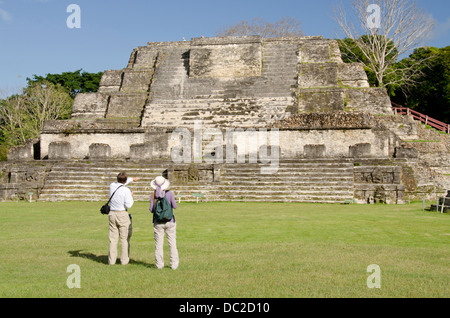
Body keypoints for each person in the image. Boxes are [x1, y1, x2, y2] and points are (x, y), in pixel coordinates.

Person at [108, 172, 138, 265]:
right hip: (122, 214)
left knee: (113, 239)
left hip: (112, 213)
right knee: (124, 239)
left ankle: (111, 261)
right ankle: (124, 261)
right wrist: (131, 196)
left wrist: (132, 179)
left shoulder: (112, 185)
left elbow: (122, 182)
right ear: (125, 181)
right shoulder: (126, 190)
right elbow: (129, 204)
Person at [149, 176, 179, 270]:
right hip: (170, 221)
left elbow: (151, 210)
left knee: (158, 244)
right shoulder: (169, 194)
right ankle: (174, 265)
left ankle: (159, 265)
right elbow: (175, 206)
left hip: (158, 222)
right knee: (172, 243)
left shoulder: (153, 195)